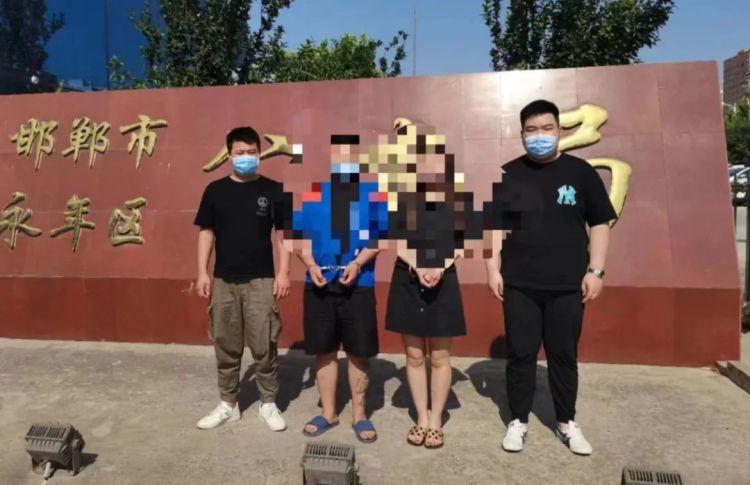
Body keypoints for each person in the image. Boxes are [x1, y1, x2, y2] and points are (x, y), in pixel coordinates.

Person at [484, 99, 617, 455]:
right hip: (519, 284)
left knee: (563, 355)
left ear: (559, 130)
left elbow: (599, 222)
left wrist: (596, 270)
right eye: (531, 130)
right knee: (521, 354)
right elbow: (493, 228)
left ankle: (566, 421)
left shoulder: (581, 173)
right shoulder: (510, 174)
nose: (539, 135)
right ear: (522, 134)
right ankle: (518, 420)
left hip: (568, 285)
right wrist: (492, 269)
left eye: (546, 128)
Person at [380, 122, 482, 449]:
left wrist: (439, 265)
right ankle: (421, 417)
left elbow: (464, 239)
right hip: (407, 276)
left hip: (444, 277)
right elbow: (394, 237)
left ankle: (436, 419)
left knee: (439, 355)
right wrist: (419, 264)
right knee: (413, 355)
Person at [288, 135, 387, 443]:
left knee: (358, 352)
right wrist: (310, 264)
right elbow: (299, 239)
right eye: (340, 155)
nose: (345, 161)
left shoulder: (374, 195)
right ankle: (329, 412)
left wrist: (357, 264)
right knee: (324, 350)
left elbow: (379, 240)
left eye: (351, 155)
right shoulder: (314, 194)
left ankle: (360, 415)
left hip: (359, 284)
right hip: (319, 284)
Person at [193, 126, 291, 431]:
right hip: (224, 280)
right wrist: (201, 272)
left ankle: (268, 403)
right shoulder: (215, 190)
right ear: (229, 155)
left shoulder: (274, 190)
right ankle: (228, 404)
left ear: (259, 154)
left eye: (251, 152)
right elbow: (206, 233)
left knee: (264, 344)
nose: (246, 157)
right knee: (225, 344)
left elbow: (284, 236)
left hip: (261, 280)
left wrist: (284, 272)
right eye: (240, 153)